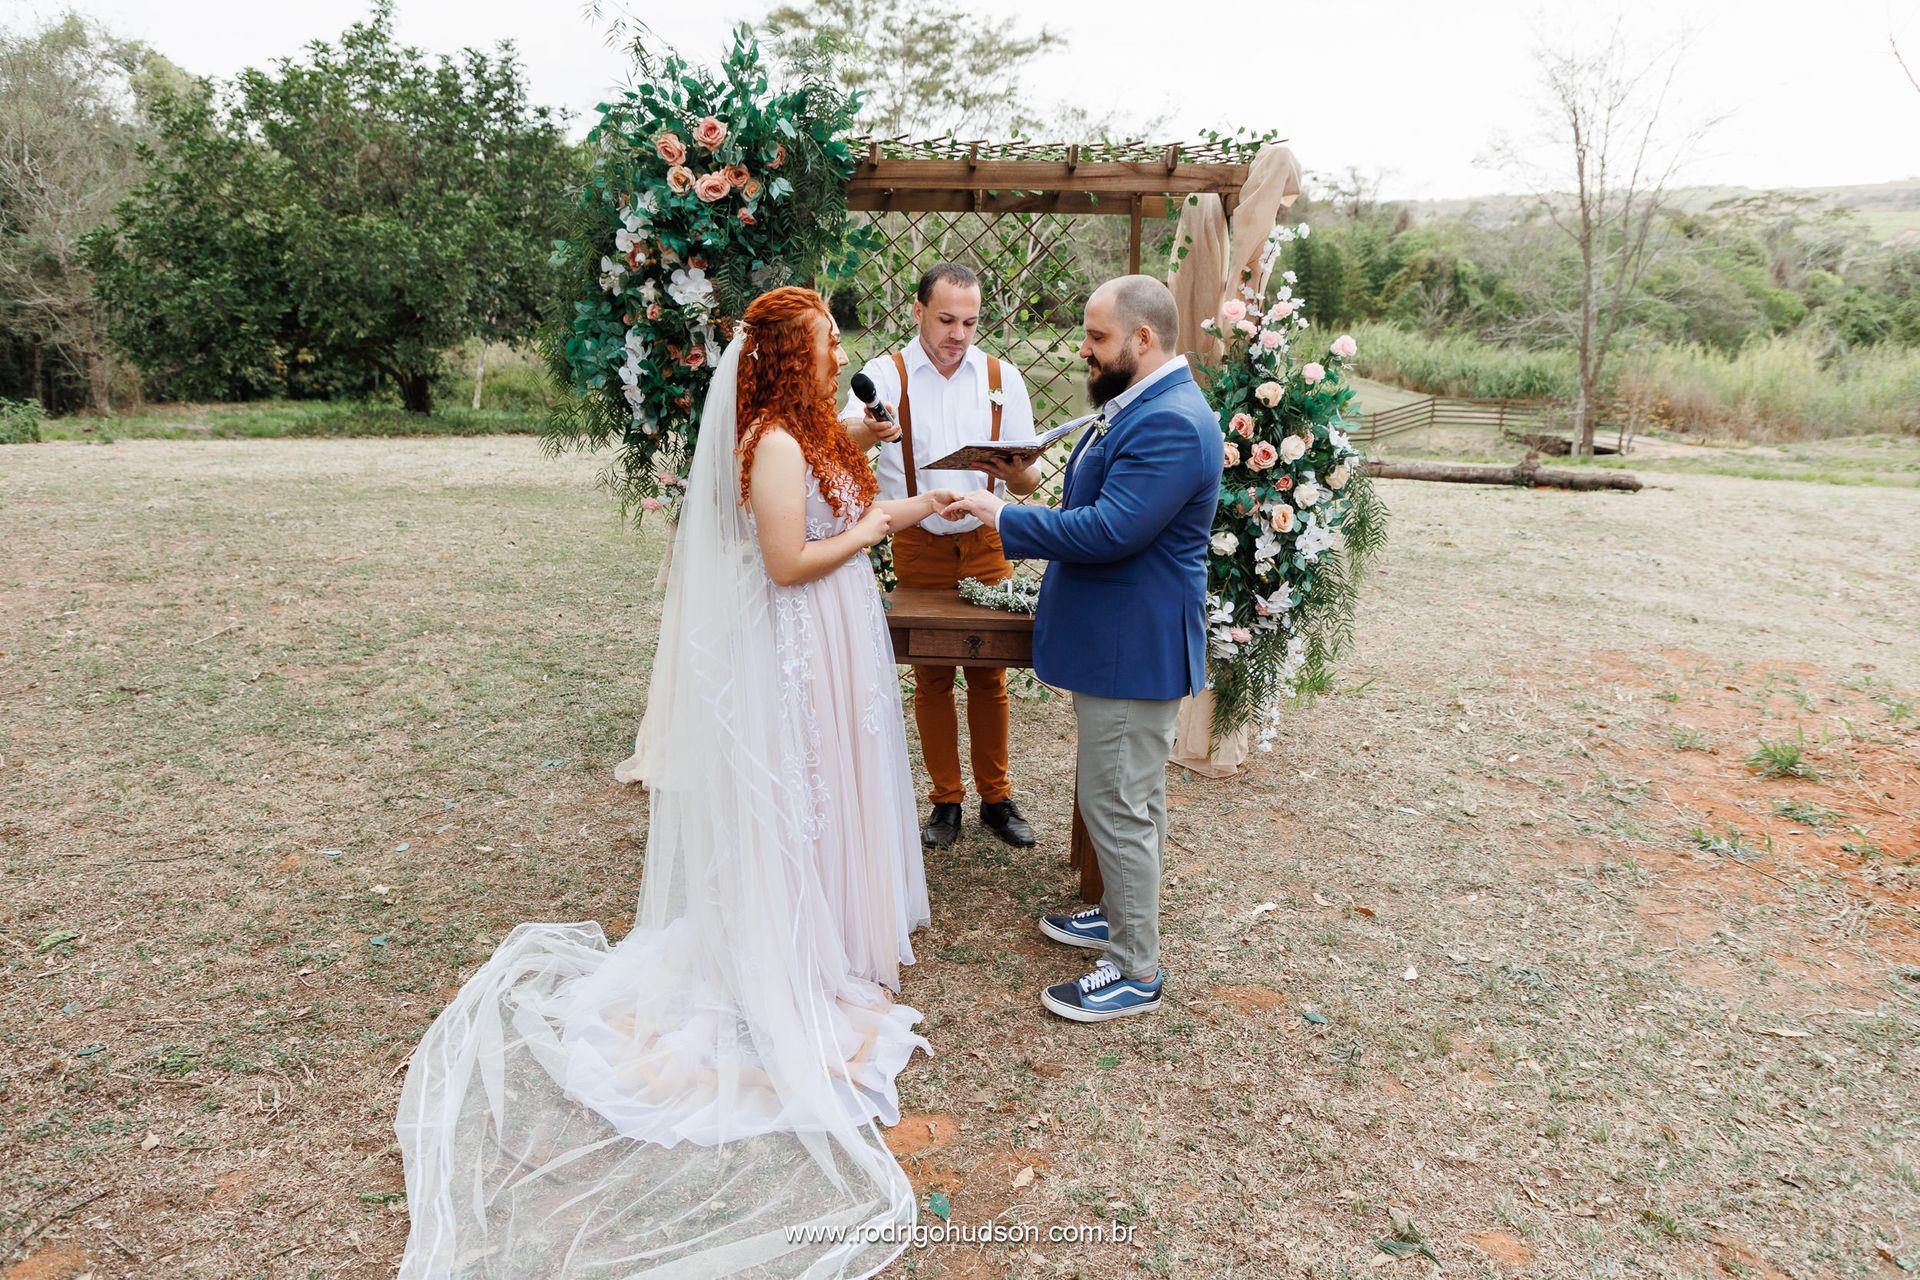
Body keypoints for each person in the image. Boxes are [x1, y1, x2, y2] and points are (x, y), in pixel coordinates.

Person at [395, 287, 961, 1277]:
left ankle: (827, 932)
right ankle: (783, 954)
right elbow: (788, 563)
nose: (839, 358)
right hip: (796, 636)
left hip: (829, 639)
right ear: (790, 358)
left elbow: (827, 465)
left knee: (832, 795)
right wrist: (882, 522)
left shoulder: (805, 429)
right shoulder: (774, 447)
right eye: (827, 347)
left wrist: (867, 455)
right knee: (798, 804)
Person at [941, 275, 1221, 1023]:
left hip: (1134, 650)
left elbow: (1108, 531)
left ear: (1143, 340)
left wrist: (1006, 516)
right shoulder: (1143, 404)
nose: (1084, 349)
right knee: (1132, 798)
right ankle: (1120, 915)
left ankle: (1135, 968)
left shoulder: (1171, 421)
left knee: (1119, 803)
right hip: (1119, 641)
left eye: (1097, 337)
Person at [843, 262, 1041, 851]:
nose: (959, 333)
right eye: (947, 319)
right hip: (916, 541)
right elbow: (840, 439)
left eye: (970, 322)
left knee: (991, 673)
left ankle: (997, 799)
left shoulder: (1002, 377)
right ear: (918, 311)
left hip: (987, 542)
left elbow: (1029, 483)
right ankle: (945, 802)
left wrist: (1013, 470)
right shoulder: (886, 374)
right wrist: (869, 435)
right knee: (930, 675)